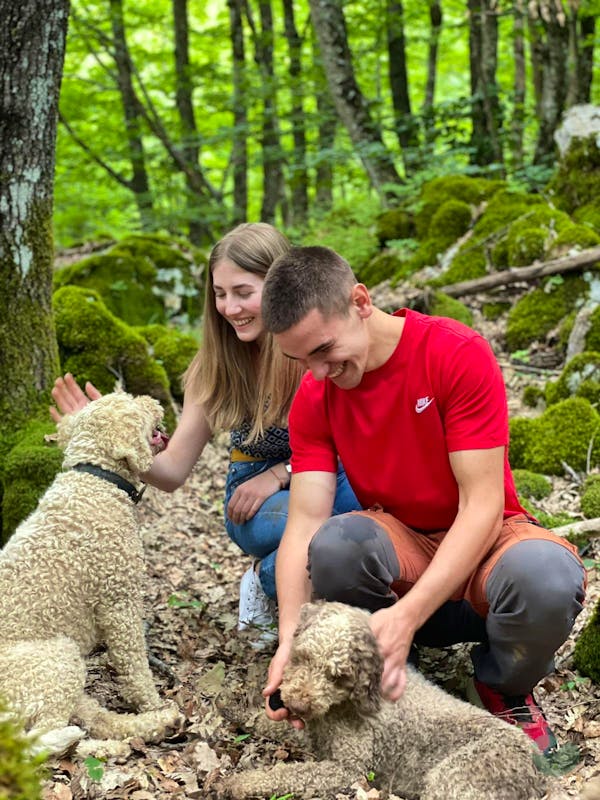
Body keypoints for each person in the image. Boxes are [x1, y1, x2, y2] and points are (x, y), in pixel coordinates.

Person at [260, 245, 586, 754]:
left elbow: (481, 506)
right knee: (335, 544)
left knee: (547, 577)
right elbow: (302, 523)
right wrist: (290, 642)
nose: (317, 373)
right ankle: (392, 686)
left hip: (486, 543)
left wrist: (406, 618)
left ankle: (500, 686)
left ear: (361, 302)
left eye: (323, 350)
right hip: (403, 541)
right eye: (299, 359)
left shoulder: (453, 352)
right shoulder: (315, 395)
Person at [50, 224, 361, 648]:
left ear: (279, 285)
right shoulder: (215, 365)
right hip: (257, 501)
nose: (230, 308)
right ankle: (282, 587)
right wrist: (105, 433)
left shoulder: (313, 348)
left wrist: (281, 473)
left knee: (361, 520)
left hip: (327, 476)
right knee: (322, 526)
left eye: (243, 291)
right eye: (220, 294)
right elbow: (172, 471)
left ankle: (267, 578)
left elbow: (355, 442)